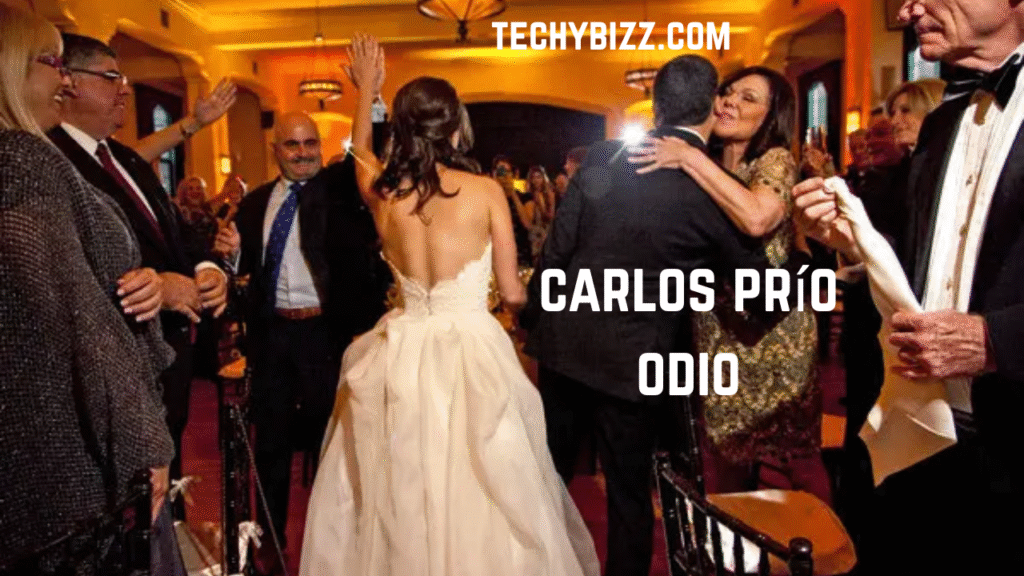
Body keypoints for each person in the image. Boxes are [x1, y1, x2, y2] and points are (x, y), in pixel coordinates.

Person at [298, 34, 599, 576]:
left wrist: (367, 90)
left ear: (404, 130)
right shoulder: (485, 192)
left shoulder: (385, 195)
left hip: (401, 350)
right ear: (456, 127)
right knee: (485, 482)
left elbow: (358, 154)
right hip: (471, 350)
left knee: (402, 489)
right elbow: (512, 293)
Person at [523, 54, 816, 576]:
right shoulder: (710, 189)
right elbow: (762, 294)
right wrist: (813, 265)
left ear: (656, 106)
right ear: (711, 108)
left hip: (565, 348)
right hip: (637, 364)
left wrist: (539, 325)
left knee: (545, 481)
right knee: (629, 497)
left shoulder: (604, 157)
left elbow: (555, 255)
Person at [793, 1, 1024, 573]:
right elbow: (929, 259)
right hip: (928, 427)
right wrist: (851, 241)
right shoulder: (943, 123)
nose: (905, 9)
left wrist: (998, 339)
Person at [0, 5, 179, 574]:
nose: (65, 80)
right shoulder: (23, 162)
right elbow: (77, 317)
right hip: (63, 448)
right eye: (52, 62)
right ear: (10, 68)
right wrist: (144, 443)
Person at [47, 33, 230, 521]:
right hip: (117, 371)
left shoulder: (124, 157)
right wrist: (161, 289)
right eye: (111, 78)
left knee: (165, 501)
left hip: (167, 362)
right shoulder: (53, 161)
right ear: (68, 82)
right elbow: (71, 273)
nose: (124, 89)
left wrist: (207, 269)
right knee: (128, 513)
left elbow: (175, 235)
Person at [627, 66, 830, 503]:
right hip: (717, 330)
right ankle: (735, 540)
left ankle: (824, 542)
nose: (730, 102)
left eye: (748, 98)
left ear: (771, 116)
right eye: (728, 92)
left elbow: (757, 218)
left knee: (795, 459)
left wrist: (688, 157)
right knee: (724, 454)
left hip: (774, 334)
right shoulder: (711, 161)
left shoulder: (775, 160)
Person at [215, 107, 391, 573]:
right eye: (292, 144)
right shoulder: (255, 204)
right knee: (270, 444)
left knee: (334, 443)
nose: (303, 153)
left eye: (311, 143)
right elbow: (242, 268)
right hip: (272, 336)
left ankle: (340, 543)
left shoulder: (339, 192)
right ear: (275, 150)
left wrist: (371, 98)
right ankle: (270, 541)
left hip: (326, 336)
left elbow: (369, 154)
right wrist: (231, 256)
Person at [525, 164, 555, 258]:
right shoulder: (529, 196)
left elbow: (550, 217)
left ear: (543, 178)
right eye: (533, 177)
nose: (536, 180)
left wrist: (541, 204)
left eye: (539, 177)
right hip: (533, 234)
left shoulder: (549, 194)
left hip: (546, 232)